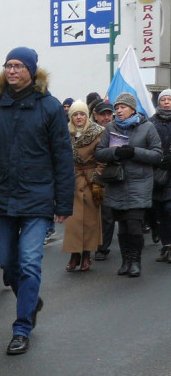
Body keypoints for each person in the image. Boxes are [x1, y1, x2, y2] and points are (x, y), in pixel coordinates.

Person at [0, 46, 74, 355]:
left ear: (31, 71)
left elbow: (62, 158)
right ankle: (31, 301)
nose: (11, 71)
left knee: (29, 262)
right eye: (8, 66)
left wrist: (63, 203)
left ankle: (22, 328)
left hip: (37, 198)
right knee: (6, 261)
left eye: (17, 66)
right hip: (1, 197)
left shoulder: (50, 107)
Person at [93, 92, 163, 277]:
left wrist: (134, 152)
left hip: (139, 183)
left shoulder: (147, 127)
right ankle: (125, 261)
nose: (119, 111)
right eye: (117, 108)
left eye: (123, 107)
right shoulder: (111, 128)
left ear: (133, 109)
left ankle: (135, 261)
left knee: (133, 224)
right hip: (116, 182)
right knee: (122, 226)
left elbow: (157, 154)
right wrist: (115, 153)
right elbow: (99, 153)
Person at [61, 101, 105, 272]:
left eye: (82, 114)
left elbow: (103, 158)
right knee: (73, 220)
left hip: (90, 179)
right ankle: (74, 255)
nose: (79, 117)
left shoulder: (98, 133)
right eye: (75, 114)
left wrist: (96, 178)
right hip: (72, 179)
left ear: (87, 116)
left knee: (90, 220)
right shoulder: (64, 133)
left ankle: (86, 255)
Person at [92, 101, 117, 260]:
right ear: (96, 115)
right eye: (103, 114)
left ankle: (102, 248)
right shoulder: (90, 131)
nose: (106, 117)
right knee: (94, 213)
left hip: (110, 176)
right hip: (90, 176)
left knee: (106, 213)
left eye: (109, 114)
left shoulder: (117, 130)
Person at [151, 89, 171, 263]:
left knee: (169, 209)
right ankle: (166, 245)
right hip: (157, 173)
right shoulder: (152, 122)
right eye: (163, 99)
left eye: (169, 99)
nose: (166, 102)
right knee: (159, 212)